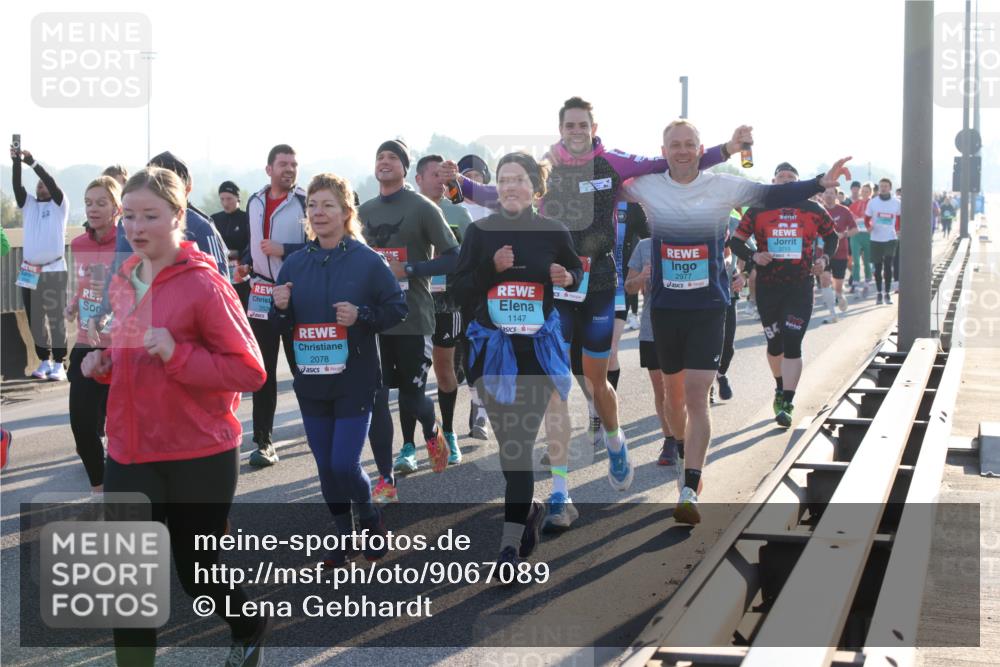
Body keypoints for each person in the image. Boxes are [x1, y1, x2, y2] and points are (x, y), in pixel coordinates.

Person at [444, 97, 748, 495]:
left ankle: (614, 437)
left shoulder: (613, 163)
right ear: (560, 130)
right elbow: (498, 192)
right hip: (560, 284)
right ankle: (559, 490)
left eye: (581, 125)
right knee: (559, 380)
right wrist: (458, 186)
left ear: (593, 127)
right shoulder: (547, 167)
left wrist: (725, 150)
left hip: (601, 282)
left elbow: (670, 164)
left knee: (595, 379)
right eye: (568, 125)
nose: (575, 131)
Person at [81, 167, 268, 667]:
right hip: (128, 449)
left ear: (178, 217)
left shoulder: (205, 285)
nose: (136, 227)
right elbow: (127, 358)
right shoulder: (123, 281)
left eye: (150, 216)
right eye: (129, 216)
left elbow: (250, 371)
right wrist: (101, 365)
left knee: (198, 570)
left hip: (198, 453)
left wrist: (177, 353)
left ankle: (248, 628)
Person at [624, 119, 849, 525]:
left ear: (700, 148)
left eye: (689, 144)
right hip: (666, 308)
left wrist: (819, 181)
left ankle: (690, 486)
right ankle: (677, 447)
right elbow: (607, 180)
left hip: (709, 307)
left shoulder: (723, 187)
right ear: (663, 149)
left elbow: (774, 193)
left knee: (696, 393)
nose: (682, 151)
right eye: (674, 144)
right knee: (672, 398)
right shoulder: (648, 186)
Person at [451, 151, 583, 568]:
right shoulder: (479, 232)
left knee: (519, 448)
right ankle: (526, 512)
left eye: (519, 179)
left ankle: (508, 548)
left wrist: (568, 277)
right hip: (491, 353)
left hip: (536, 356)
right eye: (504, 179)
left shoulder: (554, 231)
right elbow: (459, 292)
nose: (511, 186)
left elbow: (577, 272)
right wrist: (491, 268)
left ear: (535, 188)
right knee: (512, 449)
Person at [271, 173, 407, 564]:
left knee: (343, 463)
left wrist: (361, 315)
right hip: (311, 382)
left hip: (355, 379)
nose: (319, 213)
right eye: (312, 206)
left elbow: (397, 309)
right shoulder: (294, 264)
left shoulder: (367, 260)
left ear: (347, 213)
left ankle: (368, 516)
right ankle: (342, 538)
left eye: (328, 205)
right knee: (325, 468)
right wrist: (279, 308)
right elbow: (281, 326)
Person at [358, 139, 459, 502]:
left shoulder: (422, 208)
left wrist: (412, 268)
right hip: (375, 321)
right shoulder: (363, 211)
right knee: (377, 398)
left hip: (414, 317)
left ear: (404, 168)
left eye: (392, 158)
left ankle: (432, 432)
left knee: (414, 397)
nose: (384, 162)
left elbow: (454, 256)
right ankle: (386, 478)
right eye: (379, 156)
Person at [730, 162, 838, 430]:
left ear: (799, 182)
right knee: (775, 344)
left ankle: (787, 401)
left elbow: (832, 238)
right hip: (768, 287)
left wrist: (824, 259)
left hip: (800, 286)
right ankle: (780, 387)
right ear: (773, 182)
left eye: (792, 177)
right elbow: (735, 241)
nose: (787, 181)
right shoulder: (759, 210)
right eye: (782, 177)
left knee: (792, 342)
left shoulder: (814, 210)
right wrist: (753, 255)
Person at [243, 145, 308, 466]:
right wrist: (246, 260)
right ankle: (263, 441)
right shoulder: (254, 201)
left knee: (303, 369)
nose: (290, 169)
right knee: (263, 372)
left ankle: (316, 424)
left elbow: (318, 244)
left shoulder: (304, 201)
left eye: (294, 164)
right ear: (269, 169)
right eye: (283, 164)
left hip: (296, 295)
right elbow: (254, 241)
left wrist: (284, 248)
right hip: (260, 295)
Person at [410, 154, 473, 467]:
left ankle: (448, 432)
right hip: (413, 300)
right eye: (432, 174)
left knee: (445, 370)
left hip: (448, 302)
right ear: (418, 179)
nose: (438, 179)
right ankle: (410, 445)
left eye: (442, 174)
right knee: (412, 377)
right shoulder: (407, 210)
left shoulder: (458, 211)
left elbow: (473, 254)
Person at [65, 176, 120, 492]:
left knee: (120, 427)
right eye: (88, 202)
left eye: (102, 202)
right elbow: (85, 285)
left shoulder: (128, 243)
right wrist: (74, 305)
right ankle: (99, 488)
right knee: (82, 425)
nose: (94, 208)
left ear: (116, 208)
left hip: (121, 347)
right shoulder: (79, 245)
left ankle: (122, 484)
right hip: (87, 344)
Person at [10, 145, 70, 380]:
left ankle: (60, 364)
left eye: (43, 184)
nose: (40, 186)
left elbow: (49, 181)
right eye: (38, 185)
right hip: (29, 270)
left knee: (55, 317)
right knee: (35, 318)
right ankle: (44, 360)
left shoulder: (59, 204)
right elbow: (17, 186)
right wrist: (16, 162)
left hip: (54, 269)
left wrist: (32, 163)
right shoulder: (29, 205)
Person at [624, 237, 678, 466]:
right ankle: (670, 440)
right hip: (651, 327)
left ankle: (687, 439)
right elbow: (629, 287)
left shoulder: (688, 238)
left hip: (685, 327)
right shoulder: (644, 246)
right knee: (662, 389)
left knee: (683, 390)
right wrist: (641, 277)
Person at [455, 153, 493, 439]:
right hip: (465, 288)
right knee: (470, 350)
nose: (471, 181)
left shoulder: (496, 209)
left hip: (495, 287)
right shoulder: (452, 210)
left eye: (476, 177)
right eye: (465, 176)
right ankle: (478, 408)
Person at [212, 180, 251, 311]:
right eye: (222, 199)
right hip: (221, 273)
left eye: (229, 198)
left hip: (242, 275)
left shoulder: (247, 218)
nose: (225, 203)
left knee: (242, 309)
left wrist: (239, 253)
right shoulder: (214, 219)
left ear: (237, 198)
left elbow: (252, 244)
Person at [820, 185, 859, 317]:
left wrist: (844, 235)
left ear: (836, 195)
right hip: (822, 252)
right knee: (824, 279)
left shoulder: (844, 211)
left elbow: (855, 229)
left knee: (837, 285)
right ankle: (832, 312)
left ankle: (839, 294)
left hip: (840, 252)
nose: (829, 195)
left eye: (832, 193)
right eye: (826, 193)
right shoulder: (818, 210)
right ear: (822, 195)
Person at [864, 178, 901, 305]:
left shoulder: (896, 202)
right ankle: (879, 293)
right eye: (881, 186)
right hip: (876, 238)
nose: (883, 188)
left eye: (885, 186)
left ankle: (887, 294)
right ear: (878, 188)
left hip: (890, 238)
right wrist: (869, 227)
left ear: (890, 188)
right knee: (878, 267)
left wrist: (898, 229)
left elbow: (900, 218)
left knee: (888, 266)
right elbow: (867, 218)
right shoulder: (873, 202)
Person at [848, 182, 874, 297]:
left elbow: (877, 218)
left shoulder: (873, 204)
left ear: (871, 193)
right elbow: (849, 217)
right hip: (856, 235)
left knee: (867, 261)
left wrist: (871, 225)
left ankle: (867, 282)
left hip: (868, 235)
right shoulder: (854, 204)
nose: (864, 193)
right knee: (856, 262)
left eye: (867, 191)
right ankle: (856, 284)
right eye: (863, 191)